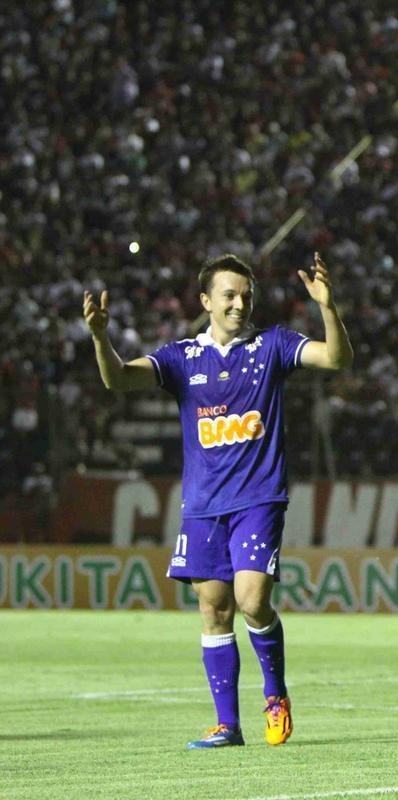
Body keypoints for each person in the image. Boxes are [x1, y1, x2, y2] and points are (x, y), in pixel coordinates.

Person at [83, 253, 353, 748]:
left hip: (258, 498)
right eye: (229, 294)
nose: (240, 303)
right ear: (206, 301)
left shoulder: (272, 346)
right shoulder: (182, 358)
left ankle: (275, 693)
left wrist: (328, 309)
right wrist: (100, 337)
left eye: (246, 294)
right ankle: (228, 725)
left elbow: (336, 359)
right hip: (204, 506)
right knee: (213, 608)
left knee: (252, 600)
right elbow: (117, 379)